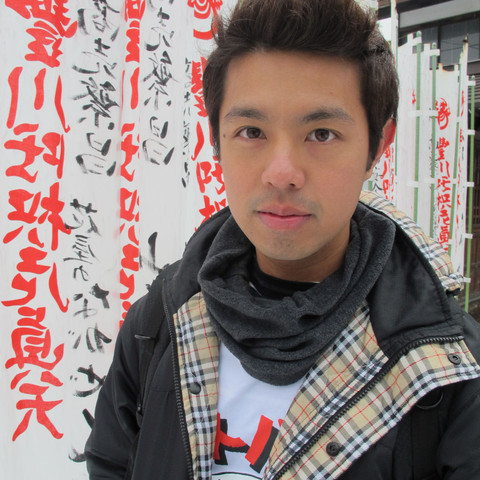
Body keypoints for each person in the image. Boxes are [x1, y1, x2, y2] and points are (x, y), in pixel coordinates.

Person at [85, 0, 480, 478]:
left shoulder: (449, 370)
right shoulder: (159, 323)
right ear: (217, 140)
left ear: (378, 144)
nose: (282, 173)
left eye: (322, 134)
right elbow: (112, 463)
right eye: (252, 131)